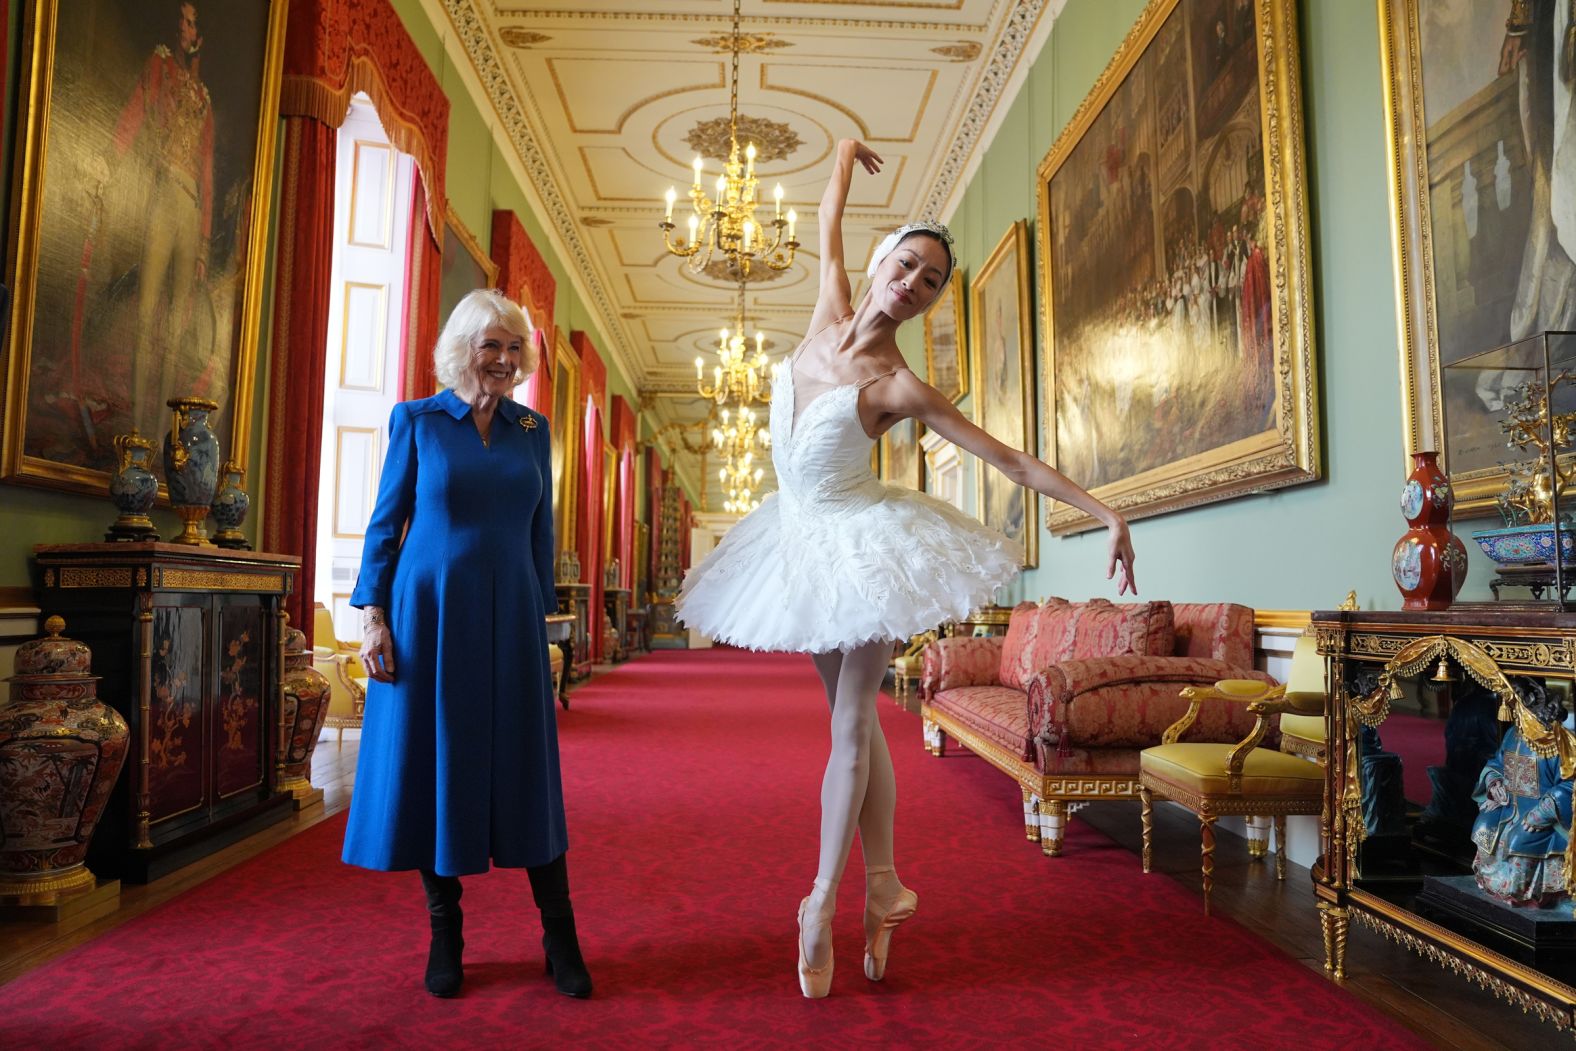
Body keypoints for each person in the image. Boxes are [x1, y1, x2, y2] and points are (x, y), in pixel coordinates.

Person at [675, 139, 1137, 999]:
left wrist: (1105, 509)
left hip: (866, 550)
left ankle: (821, 901)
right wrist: (844, 155)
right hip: (796, 547)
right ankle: (884, 884)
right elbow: (826, 220)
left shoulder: (897, 385)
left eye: (931, 283)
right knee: (848, 727)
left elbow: (1009, 459)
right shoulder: (826, 313)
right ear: (886, 260)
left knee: (851, 722)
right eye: (911, 264)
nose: (916, 284)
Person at [343, 289, 592, 1001]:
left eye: (516, 348)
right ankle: (445, 929)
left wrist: (542, 620)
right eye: (492, 345)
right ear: (463, 348)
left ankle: (559, 932)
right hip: (429, 613)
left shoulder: (531, 428)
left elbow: (541, 531)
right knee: (435, 764)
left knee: (527, 768)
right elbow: (384, 524)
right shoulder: (417, 420)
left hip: (511, 615)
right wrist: (374, 617)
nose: (506, 359)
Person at [94, 1, 216, 438]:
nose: (189, 29)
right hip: (163, 194)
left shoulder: (203, 98)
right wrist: (108, 160)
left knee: (177, 323)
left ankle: (165, 428)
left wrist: (202, 244)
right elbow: (133, 114)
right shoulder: (159, 67)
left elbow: (206, 172)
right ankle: (137, 425)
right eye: (184, 21)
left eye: (194, 23)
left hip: (190, 207)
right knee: (147, 314)